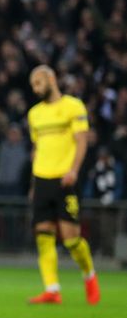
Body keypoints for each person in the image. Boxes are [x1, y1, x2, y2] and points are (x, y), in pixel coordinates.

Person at [26, 65, 100, 305]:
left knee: (70, 239)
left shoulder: (73, 107)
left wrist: (74, 170)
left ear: (51, 78)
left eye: (39, 82)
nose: (36, 88)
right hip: (42, 178)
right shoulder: (34, 114)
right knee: (43, 235)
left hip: (64, 179)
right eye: (33, 85)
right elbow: (37, 150)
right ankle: (52, 289)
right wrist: (34, 184)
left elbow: (81, 142)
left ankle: (89, 276)